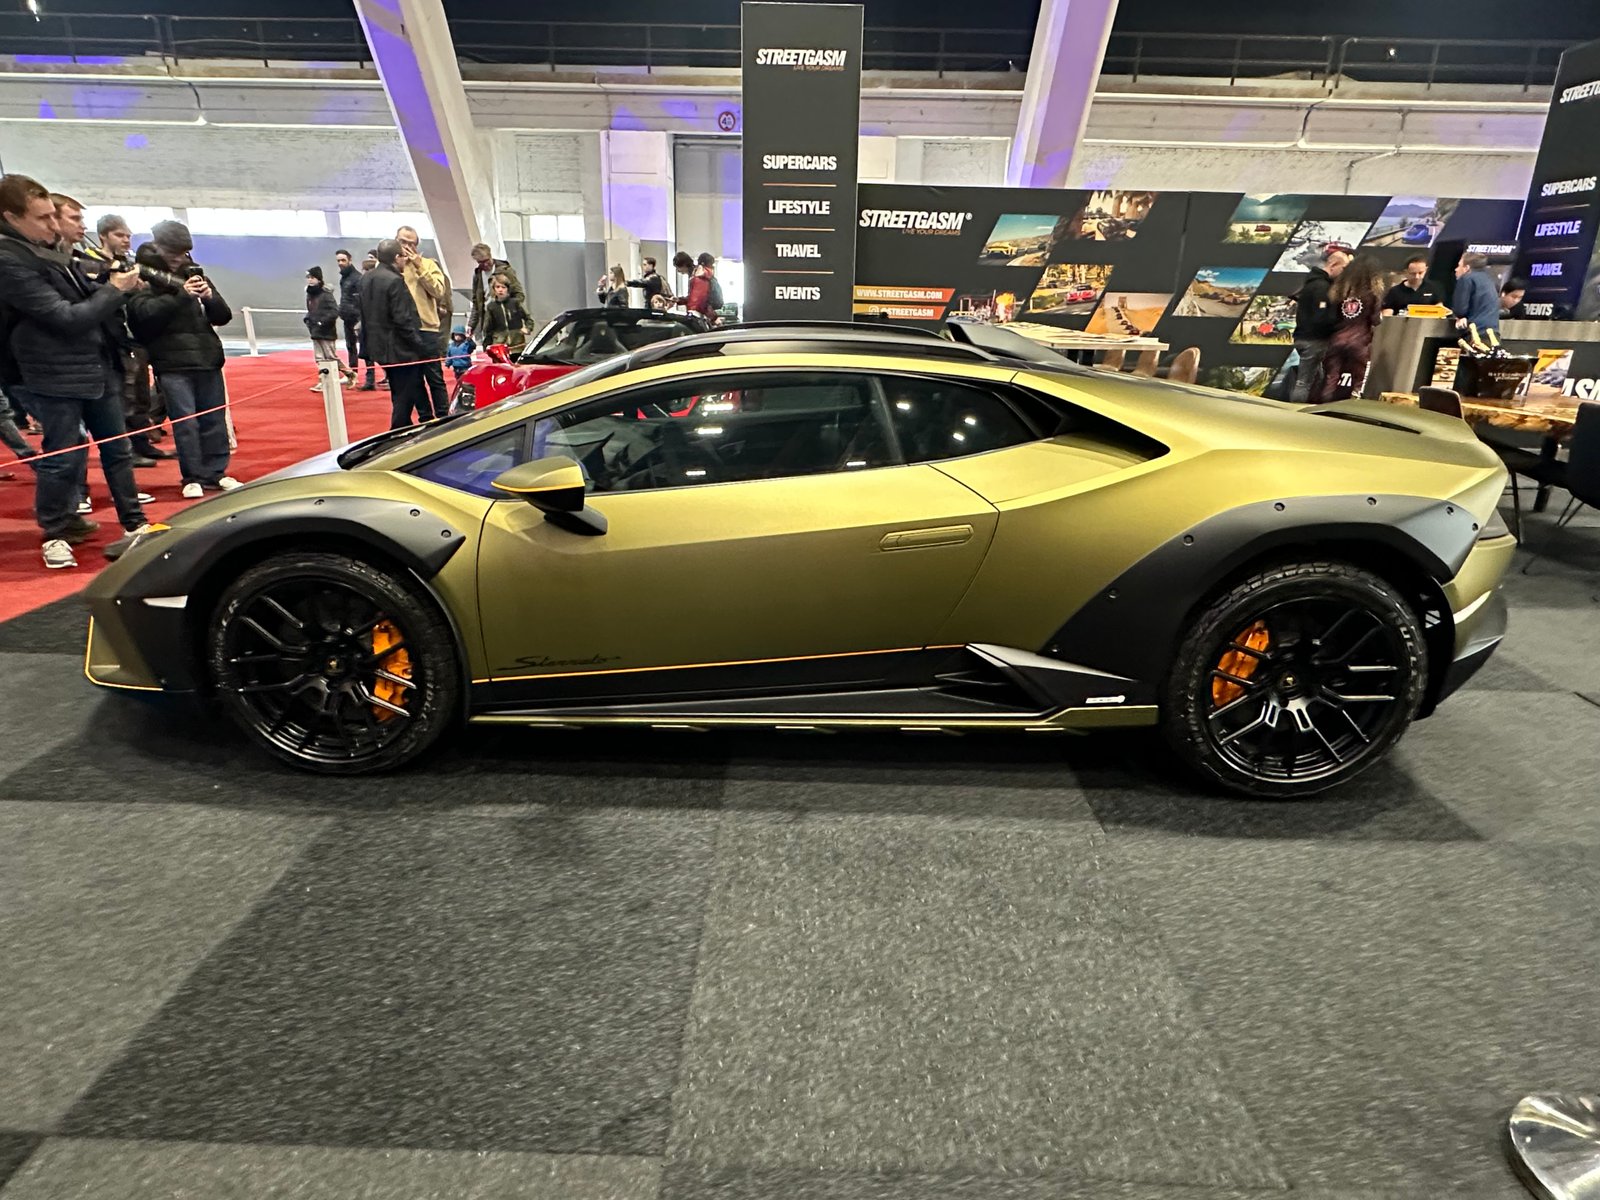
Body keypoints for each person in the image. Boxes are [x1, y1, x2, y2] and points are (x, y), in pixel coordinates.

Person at [0, 174, 153, 568]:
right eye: (43, 218)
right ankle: (54, 531)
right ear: (11, 217)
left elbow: (83, 302)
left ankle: (134, 524)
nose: (53, 225)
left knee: (117, 449)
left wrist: (114, 289)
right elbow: (66, 318)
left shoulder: (47, 252)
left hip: (95, 365)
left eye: (56, 216)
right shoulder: (9, 259)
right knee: (63, 456)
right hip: (52, 373)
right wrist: (115, 290)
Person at [126, 219, 240, 501]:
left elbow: (222, 316)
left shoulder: (194, 272)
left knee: (214, 419)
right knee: (185, 423)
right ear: (158, 246)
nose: (178, 258)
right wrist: (181, 295)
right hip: (171, 362)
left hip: (207, 357)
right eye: (172, 252)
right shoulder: (144, 274)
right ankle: (192, 476)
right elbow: (142, 315)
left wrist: (210, 298)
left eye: (183, 252)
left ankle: (216, 472)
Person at [359, 239, 432, 429]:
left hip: (378, 347)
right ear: (396, 257)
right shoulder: (394, 280)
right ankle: (398, 430)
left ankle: (406, 425)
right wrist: (419, 345)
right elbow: (402, 319)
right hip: (399, 349)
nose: (405, 259)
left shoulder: (367, 278)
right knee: (404, 395)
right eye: (403, 256)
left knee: (398, 390)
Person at [395, 225, 450, 420]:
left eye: (411, 243)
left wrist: (419, 266)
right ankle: (425, 418)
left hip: (427, 329)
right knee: (414, 380)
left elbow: (438, 291)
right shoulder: (393, 268)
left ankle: (443, 418)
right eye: (402, 242)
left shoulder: (428, 264)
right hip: (404, 331)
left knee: (435, 377)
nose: (406, 247)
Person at [1287, 242, 1351, 402]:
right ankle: (1294, 412)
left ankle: (1307, 408)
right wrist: (1339, 324)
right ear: (1333, 265)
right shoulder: (1322, 288)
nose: (1344, 273)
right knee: (1304, 382)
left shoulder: (1312, 284)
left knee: (1316, 379)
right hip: (1313, 341)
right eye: (1343, 268)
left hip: (1304, 338)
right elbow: (1321, 318)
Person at [1318, 254, 1384, 402]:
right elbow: (1375, 320)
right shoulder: (1372, 295)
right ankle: (1353, 404)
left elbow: (1332, 317)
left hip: (1337, 340)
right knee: (1359, 379)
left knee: (1331, 378)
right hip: (1360, 342)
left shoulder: (1340, 292)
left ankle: (1323, 406)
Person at [303, 265, 351, 391]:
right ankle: (324, 381)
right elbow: (311, 310)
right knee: (319, 358)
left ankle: (349, 374)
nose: (309, 280)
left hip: (326, 331)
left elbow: (334, 312)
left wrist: (321, 322)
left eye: (312, 277)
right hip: (314, 330)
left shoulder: (326, 295)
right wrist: (308, 319)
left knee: (330, 357)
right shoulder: (309, 294)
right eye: (308, 277)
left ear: (318, 279)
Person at [468, 243, 524, 338]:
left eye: (486, 260)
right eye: (481, 262)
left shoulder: (505, 271)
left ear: (490, 256)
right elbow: (476, 303)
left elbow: (519, 294)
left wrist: (513, 311)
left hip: (506, 318)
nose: (485, 264)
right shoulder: (478, 275)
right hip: (488, 320)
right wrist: (471, 325)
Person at [335, 248, 372, 391]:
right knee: (350, 346)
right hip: (347, 317)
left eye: (343, 260)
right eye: (338, 260)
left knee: (366, 349)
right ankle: (352, 373)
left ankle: (370, 379)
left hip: (358, 318)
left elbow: (362, 299)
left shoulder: (357, 278)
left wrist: (360, 318)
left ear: (350, 260)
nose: (340, 263)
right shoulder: (344, 278)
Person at [1451, 252, 1501, 334]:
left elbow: (1460, 310)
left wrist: (1458, 316)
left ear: (1466, 268)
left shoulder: (1466, 279)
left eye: (1459, 266)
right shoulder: (1490, 280)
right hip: (1493, 331)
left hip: (1475, 332)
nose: (1456, 269)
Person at [480, 274, 531, 354]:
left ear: (508, 289)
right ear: (494, 289)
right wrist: (486, 345)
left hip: (517, 346)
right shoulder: (491, 307)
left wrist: (528, 328)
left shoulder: (515, 303)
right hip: (499, 346)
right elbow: (487, 328)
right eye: (497, 287)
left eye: (503, 287)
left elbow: (528, 317)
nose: (500, 290)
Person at [1380, 254, 1444, 315]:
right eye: (1413, 273)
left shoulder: (1434, 288)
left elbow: (1439, 309)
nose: (1417, 277)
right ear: (1406, 272)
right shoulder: (1394, 292)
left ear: (1426, 270)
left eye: (1420, 273)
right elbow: (1387, 314)